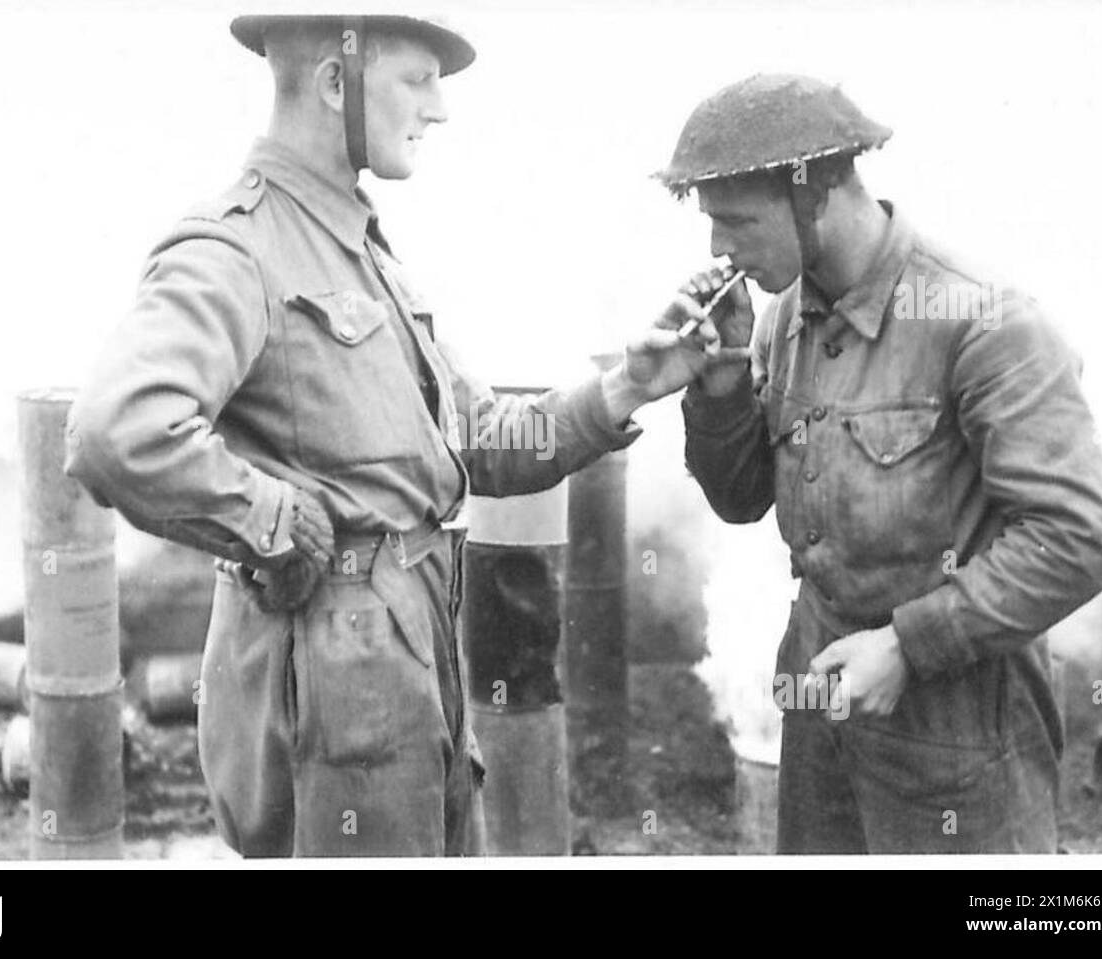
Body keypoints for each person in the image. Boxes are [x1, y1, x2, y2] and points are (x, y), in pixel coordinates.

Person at [64, 13, 715, 857]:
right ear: (336, 83)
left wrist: (632, 383)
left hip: (411, 664)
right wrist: (271, 518)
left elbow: (478, 439)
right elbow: (116, 431)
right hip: (336, 686)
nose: (439, 108)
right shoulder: (237, 247)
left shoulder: (364, 253)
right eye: (418, 79)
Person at [658, 73, 1102, 853]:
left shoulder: (984, 319)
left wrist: (909, 645)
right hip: (822, 719)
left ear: (819, 193)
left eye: (737, 221)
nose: (716, 249)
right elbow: (742, 501)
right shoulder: (782, 319)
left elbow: (1082, 535)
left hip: (961, 737)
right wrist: (721, 383)